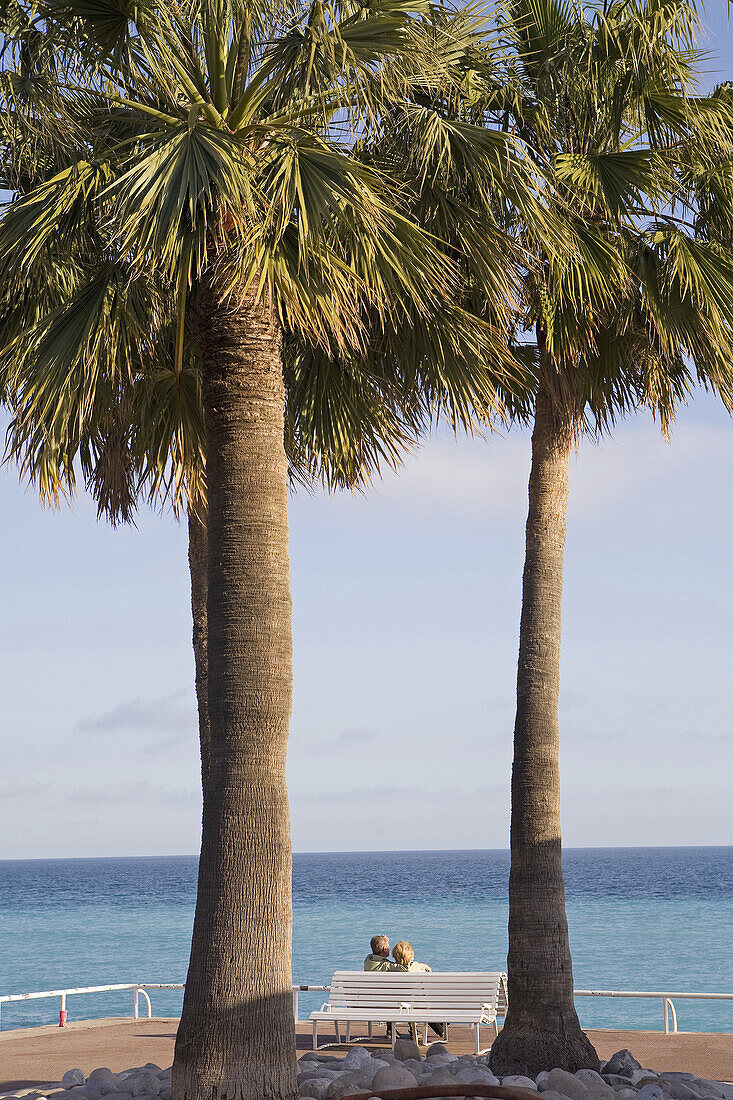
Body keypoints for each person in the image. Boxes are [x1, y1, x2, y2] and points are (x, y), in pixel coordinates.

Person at [392, 941, 445, 1040]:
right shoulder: (418, 970)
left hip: (398, 1005)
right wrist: (422, 965)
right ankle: (442, 1026)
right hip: (416, 1004)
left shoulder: (391, 971)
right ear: (411, 955)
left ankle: (440, 1028)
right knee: (424, 1003)